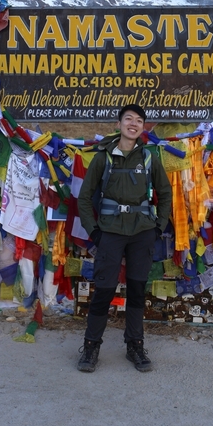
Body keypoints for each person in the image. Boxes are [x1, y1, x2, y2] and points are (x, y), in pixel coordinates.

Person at [77, 104, 172, 373]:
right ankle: (91, 346)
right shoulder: (103, 158)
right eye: (128, 119)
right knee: (104, 290)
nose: (133, 123)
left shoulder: (150, 157)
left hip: (142, 233)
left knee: (137, 292)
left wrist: (157, 227)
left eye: (139, 120)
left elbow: (165, 195)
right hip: (110, 233)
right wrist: (93, 231)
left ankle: (135, 346)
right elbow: (84, 198)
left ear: (143, 127)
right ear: (118, 124)